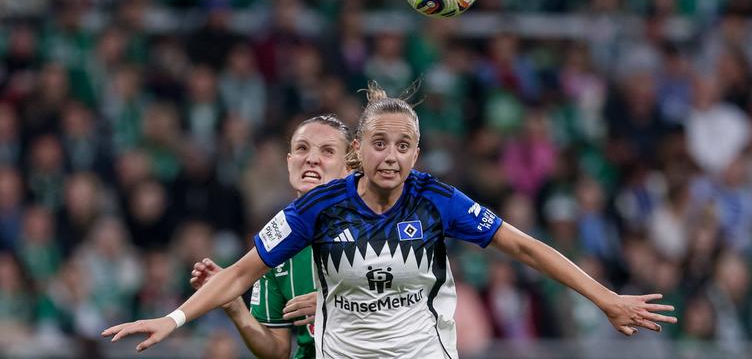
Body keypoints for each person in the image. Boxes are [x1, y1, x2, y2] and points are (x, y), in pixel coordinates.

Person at [103, 81, 677, 358]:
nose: (390, 156)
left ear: (416, 155)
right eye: (379, 143)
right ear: (362, 151)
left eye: (403, 146)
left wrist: (606, 298)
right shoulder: (316, 210)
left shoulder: (436, 201)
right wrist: (174, 320)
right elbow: (239, 272)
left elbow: (526, 249)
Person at [190, 114, 352, 358]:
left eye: (328, 151)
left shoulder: (379, 228)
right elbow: (277, 350)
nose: (311, 159)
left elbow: (411, 308)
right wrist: (234, 305)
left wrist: (335, 305)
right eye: (302, 148)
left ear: (349, 167)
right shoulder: (274, 243)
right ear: (289, 162)